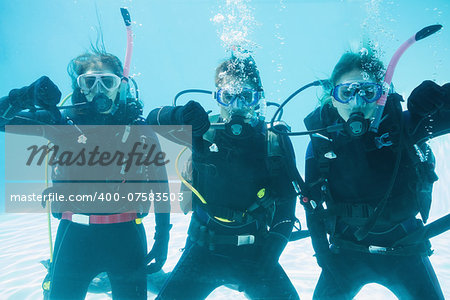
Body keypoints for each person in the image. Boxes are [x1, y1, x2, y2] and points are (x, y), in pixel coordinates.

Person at [0, 50, 172, 299]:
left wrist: (163, 237)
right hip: (74, 237)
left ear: (120, 86)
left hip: (127, 237)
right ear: (80, 87)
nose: (99, 90)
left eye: (108, 82)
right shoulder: (61, 124)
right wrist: (23, 96)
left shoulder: (138, 129)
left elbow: (160, 185)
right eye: (90, 82)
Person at [147, 55, 300, 299]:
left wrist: (269, 258)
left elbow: (286, 209)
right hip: (201, 249)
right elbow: (150, 122)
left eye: (246, 96)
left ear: (258, 99)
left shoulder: (273, 142)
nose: (237, 106)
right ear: (217, 97)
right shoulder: (202, 132)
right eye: (228, 96)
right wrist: (179, 115)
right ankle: (157, 279)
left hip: (257, 252)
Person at [302, 49, 449, 299]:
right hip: (345, 252)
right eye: (346, 92)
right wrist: (324, 258)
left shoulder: (405, 127)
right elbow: (312, 206)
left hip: (405, 248)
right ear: (332, 97)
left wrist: (440, 102)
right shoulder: (322, 143)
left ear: (382, 96)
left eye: (368, 92)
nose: (357, 103)